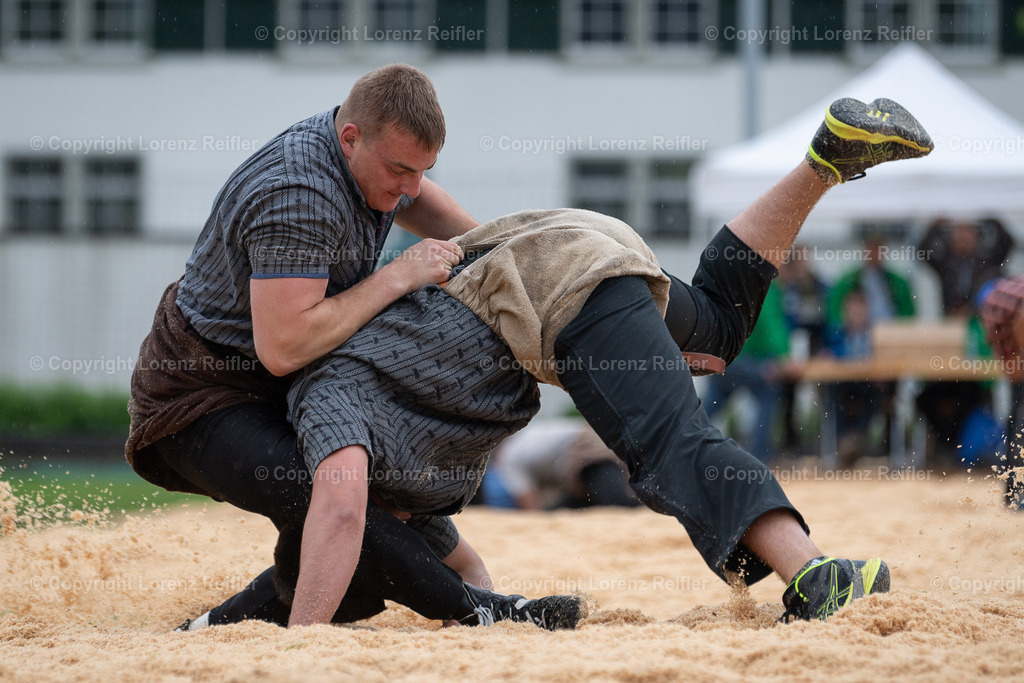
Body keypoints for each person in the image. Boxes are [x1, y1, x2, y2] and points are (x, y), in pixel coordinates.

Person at [188, 96, 934, 626]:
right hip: (570, 239)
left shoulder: (329, 394)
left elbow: (347, 511)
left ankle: (812, 572)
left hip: (567, 293)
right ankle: (822, 162)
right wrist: (216, 624)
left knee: (666, 441)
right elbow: (446, 560)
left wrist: (301, 642)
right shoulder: (382, 389)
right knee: (715, 329)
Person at [127, 64, 582, 631]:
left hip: (275, 387)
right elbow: (285, 346)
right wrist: (400, 274)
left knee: (360, 556)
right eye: (399, 169)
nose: (410, 188)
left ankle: (210, 631)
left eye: (423, 170)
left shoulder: (373, 159)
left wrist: (502, 259)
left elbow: (417, 200)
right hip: (199, 398)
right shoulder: (296, 195)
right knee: (348, 507)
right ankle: (486, 614)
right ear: (351, 138)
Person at [702, 282, 789, 463]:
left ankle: (680, 445)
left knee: (705, 411)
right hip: (744, 360)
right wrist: (782, 357)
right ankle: (759, 456)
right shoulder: (768, 288)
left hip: (722, 356)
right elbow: (769, 324)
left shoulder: (739, 282)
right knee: (768, 390)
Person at [483, 418, 638, 510]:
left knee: (619, 505)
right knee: (565, 511)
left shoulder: (509, 459)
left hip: (585, 451)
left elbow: (530, 506)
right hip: (585, 450)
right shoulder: (522, 438)